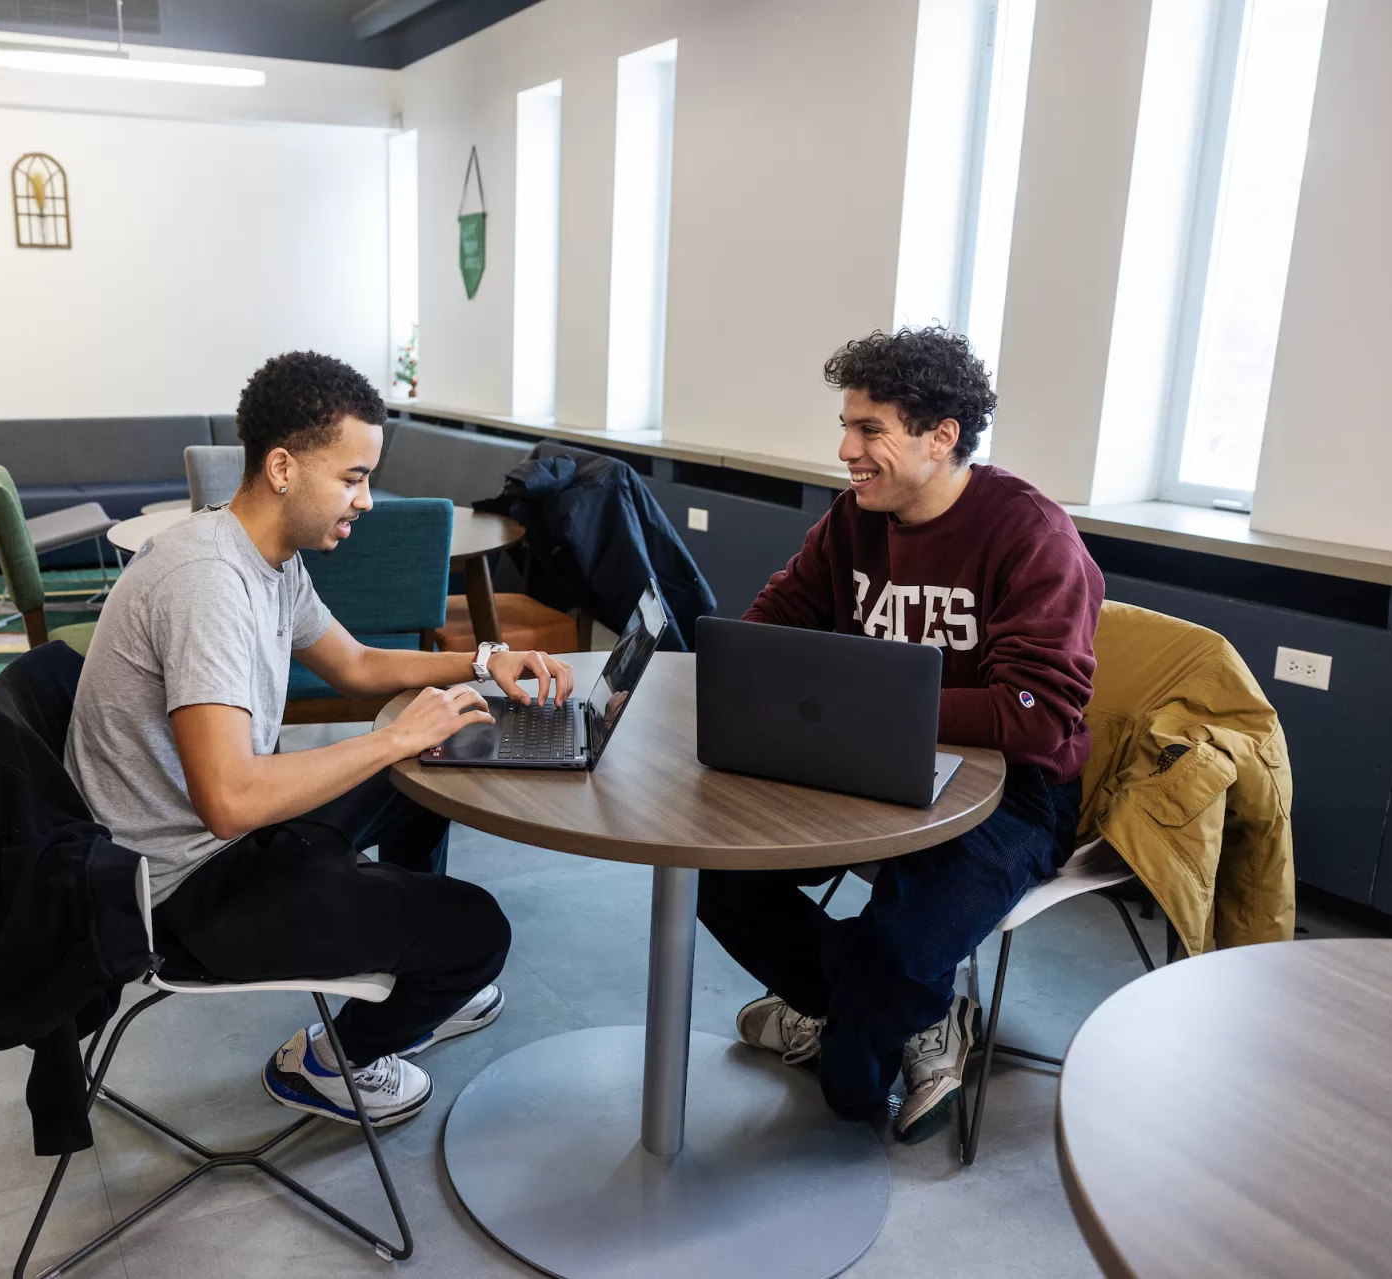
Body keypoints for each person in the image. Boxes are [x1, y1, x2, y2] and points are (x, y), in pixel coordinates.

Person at [66, 350, 572, 1129]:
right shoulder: (207, 585)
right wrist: (392, 737)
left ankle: (407, 951)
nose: (366, 499)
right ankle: (328, 1061)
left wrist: (482, 660)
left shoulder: (263, 556)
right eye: (352, 477)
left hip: (222, 846)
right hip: (181, 893)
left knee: (421, 762)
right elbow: (231, 801)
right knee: (479, 932)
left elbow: (356, 661)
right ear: (281, 467)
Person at [696, 327, 1103, 1144]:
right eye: (845, 425)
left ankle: (866, 1019)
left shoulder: (1031, 534)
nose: (844, 448)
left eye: (868, 428)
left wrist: (871, 704)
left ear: (940, 435)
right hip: (865, 757)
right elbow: (765, 631)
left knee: (852, 1089)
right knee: (721, 881)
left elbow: (1036, 715)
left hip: (1013, 788)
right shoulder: (854, 521)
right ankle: (905, 1013)